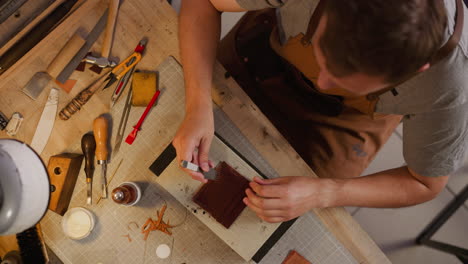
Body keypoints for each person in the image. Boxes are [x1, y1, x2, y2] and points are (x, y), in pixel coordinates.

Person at [173, 0, 468, 223]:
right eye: (322, 55)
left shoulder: (449, 85)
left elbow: (423, 183)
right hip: (265, 52)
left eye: (345, 81)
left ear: (417, 72)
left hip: (346, 121)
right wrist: (198, 103)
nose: (322, 82)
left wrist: (325, 192)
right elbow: (204, 2)